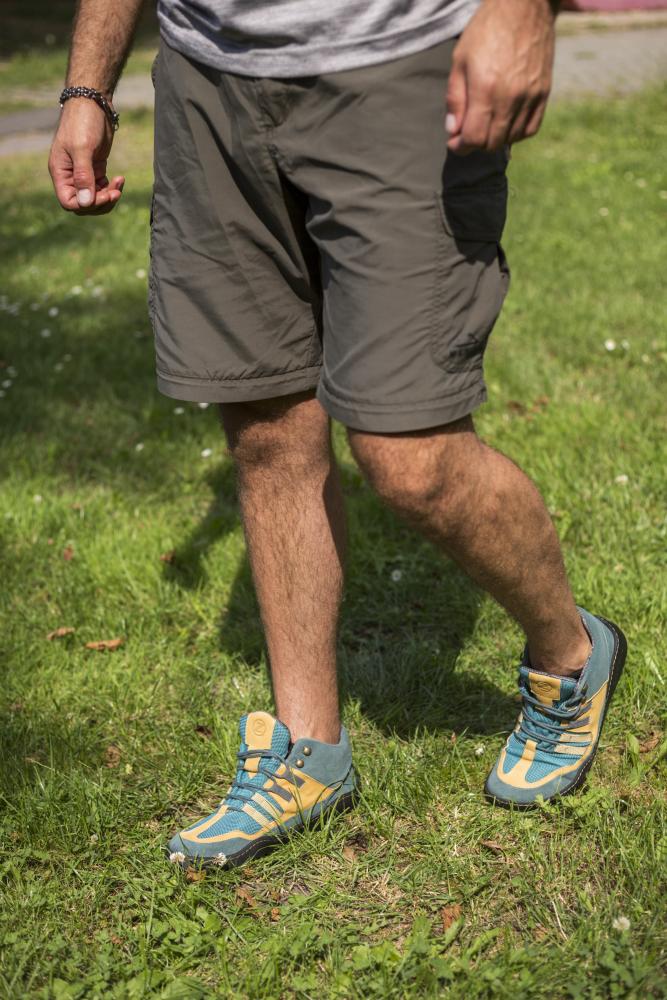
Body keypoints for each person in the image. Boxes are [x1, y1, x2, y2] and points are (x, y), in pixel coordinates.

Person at [49, 0, 626, 870]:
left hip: (399, 62)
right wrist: (88, 85)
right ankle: (307, 751)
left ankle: (570, 653)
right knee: (268, 432)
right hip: (210, 77)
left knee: (410, 459)